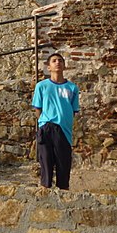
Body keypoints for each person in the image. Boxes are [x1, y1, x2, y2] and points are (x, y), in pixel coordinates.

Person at [32, 52, 80, 189]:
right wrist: (44, 123)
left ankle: (63, 195)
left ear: (64, 66)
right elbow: (38, 109)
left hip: (64, 131)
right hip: (46, 128)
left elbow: (74, 110)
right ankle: (45, 193)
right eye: (54, 61)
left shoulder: (72, 88)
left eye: (60, 60)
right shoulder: (41, 86)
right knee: (46, 164)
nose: (57, 62)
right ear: (49, 67)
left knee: (63, 166)